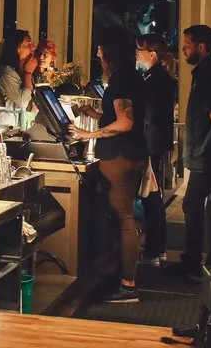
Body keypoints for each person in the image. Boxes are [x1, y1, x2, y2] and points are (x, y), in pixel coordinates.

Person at [69, 35, 147, 303]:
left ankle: (128, 285)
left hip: (119, 155)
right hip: (134, 152)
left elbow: (125, 122)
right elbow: (121, 115)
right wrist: (97, 116)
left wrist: (88, 134)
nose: (98, 57)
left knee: (125, 219)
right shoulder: (132, 78)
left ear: (111, 54)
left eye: (101, 52)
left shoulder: (120, 80)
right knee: (124, 217)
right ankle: (122, 275)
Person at [172, 24, 211, 279]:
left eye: (187, 44)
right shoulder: (204, 72)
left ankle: (193, 263)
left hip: (206, 154)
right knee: (199, 205)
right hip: (204, 152)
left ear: (202, 46)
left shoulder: (207, 74)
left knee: (191, 203)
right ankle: (200, 260)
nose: (184, 49)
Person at [136, 34, 177, 266]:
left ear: (152, 54)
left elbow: (149, 117)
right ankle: (158, 247)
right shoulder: (160, 77)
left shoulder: (153, 80)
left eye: (139, 49)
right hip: (158, 143)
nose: (136, 53)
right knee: (154, 196)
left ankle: (153, 250)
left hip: (151, 143)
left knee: (150, 196)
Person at [0, 30, 37, 110]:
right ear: (17, 48)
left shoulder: (23, 69)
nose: (34, 47)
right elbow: (23, 102)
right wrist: (28, 74)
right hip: (9, 118)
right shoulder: (6, 72)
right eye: (28, 44)